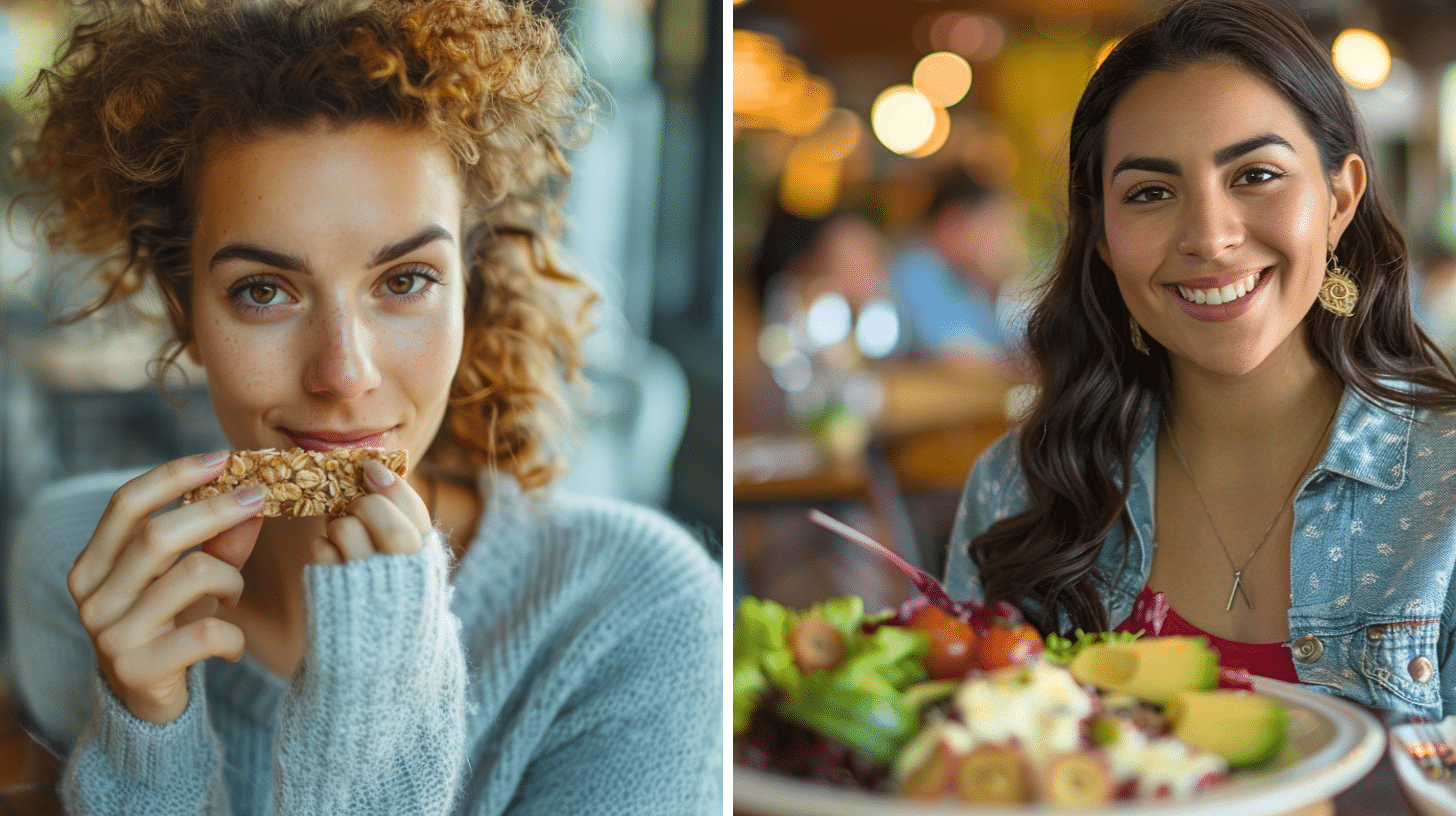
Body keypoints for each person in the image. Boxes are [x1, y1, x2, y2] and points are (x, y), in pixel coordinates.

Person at [5, 1, 722, 813]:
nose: (343, 373)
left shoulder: (636, 611)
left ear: (470, 297)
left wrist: (374, 718)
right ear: (185, 315)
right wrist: (141, 740)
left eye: (405, 281)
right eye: (264, 291)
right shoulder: (77, 569)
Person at [944, 0, 1456, 718]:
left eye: (1256, 175)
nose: (1209, 238)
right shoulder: (1018, 492)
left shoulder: (1447, 493)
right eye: (1151, 193)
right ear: (1100, 238)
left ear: (1339, 198)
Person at [891, 168, 1031, 364]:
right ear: (952, 223)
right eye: (995, 226)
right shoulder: (919, 269)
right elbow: (959, 356)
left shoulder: (967, 281)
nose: (1006, 241)